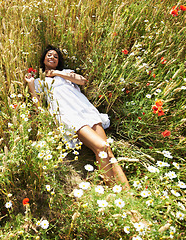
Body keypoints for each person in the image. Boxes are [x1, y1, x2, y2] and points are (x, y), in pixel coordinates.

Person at [25, 45, 130, 189]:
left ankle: (127, 193)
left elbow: (82, 81)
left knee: (108, 151)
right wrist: (31, 86)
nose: (52, 57)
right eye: (49, 55)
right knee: (101, 147)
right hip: (69, 115)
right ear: (43, 58)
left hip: (85, 110)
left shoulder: (66, 73)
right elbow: (38, 106)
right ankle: (116, 191)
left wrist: (56, 73)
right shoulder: (39, 81)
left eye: (56, 56)